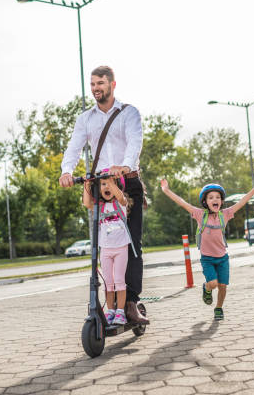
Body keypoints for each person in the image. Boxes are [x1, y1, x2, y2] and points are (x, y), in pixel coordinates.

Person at [59, 66, 148, 325]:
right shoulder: (85, 118)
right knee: (102, 245)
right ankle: (108, 302)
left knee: (132, 244)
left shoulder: (128, 113)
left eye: (101, 83)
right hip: (100, 185)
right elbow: (74, 147)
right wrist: (67, 171)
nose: (96, 87)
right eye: (93, 84)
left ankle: (130, 302)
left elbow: (135, 141)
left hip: (127, 183)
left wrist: (126, 164)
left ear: (112, 84)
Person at [160, 174, 254, 320]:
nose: (215, 200)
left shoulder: (225, 214)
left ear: (221, 201)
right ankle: (206, 288)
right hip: (207, 258)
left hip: (222, 258)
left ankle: (218, 308)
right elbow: (182, 202)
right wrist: (166, 190)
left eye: (218, 197)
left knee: (223, 286)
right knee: (213, 284)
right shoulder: (200, 214)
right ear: (205, 202)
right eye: (211, 197)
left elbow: (242, 201)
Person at [82, 174, 133, 325]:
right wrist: (86, 184)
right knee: (108, 282)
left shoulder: (120, 204)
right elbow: (86, 203)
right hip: (105, 250)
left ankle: (120, 312)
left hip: (120, 248)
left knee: (119, 280)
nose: (106, 187)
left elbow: (121, 196)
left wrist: (111, 181)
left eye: (109, 184)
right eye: (103, 184)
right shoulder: (100, 207)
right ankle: (110, 310)